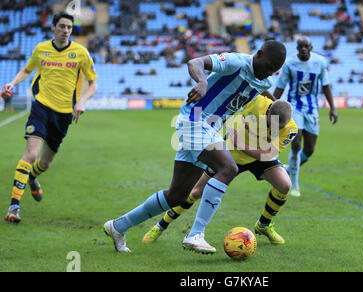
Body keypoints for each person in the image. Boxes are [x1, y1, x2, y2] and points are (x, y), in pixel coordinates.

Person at [103, 40, 287, 253]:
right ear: (259, 53)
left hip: (208, 128)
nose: (269, 73)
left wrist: (279, 106)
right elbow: (195, 62)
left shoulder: (264, 80)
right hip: (195, 120)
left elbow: (262, 91)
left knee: (177, 196)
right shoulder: (236, 62)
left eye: (275, 71)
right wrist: (202, 81)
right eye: (269, 66)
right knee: (228, 168)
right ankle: (196, 233)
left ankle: (118, 227)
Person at [142, 95, 298, 247]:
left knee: (284, 185)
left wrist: (241, 143)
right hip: (230, 155)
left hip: (259, 156)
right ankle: (160, 226)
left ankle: (263, 225)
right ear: (268, 112)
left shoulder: (291, 129)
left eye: (280, 127)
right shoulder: (256, 102)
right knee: (195, 192)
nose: (276, 129)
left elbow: (268, 154)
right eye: (273, 124)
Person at [3, 12, 98, 224]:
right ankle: (14, 206)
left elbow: (93, 84)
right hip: (41, 107)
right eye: (62, 26)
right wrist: (12, 83)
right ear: (53, 28)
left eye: (69, 28)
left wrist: (81, 102)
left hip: (64, 114)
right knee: (31, 153)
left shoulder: (81, 53)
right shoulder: (41, 49)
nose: (65, 30)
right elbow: (27, 70)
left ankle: (32, 177)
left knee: (45, 162)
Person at [273, 36, 338, 197]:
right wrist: (271, 107)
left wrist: (333, 108)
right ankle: (294, 185)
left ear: (311, 47)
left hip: (312, 109)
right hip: (295, 107)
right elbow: (280, 88)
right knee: (296, 144)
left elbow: (326, 86)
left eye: (306, 46)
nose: (303, 49)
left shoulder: (320, 62)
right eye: (300, 46)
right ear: (297, 48)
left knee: (309, 149)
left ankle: (289, 169)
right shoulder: (289, 63)